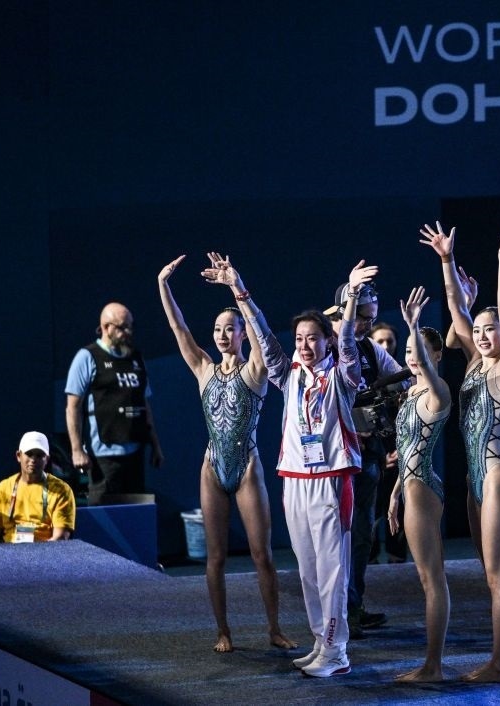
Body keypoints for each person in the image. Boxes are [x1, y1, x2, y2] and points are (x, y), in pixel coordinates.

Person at [202, 256, 376, 678]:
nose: (304, 345)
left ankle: (337, 651)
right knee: (308, 570)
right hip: (295, 480)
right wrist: (238, 289)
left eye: (313, 338)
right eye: (299, 338)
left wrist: (352, 294)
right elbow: (261, 333)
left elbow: (348, 341)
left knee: (333, 570)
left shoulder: (343, 375)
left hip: (331, 480)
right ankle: (320, 642)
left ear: (327, 341)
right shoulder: (288, 373)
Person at [157, 254, 297, 654]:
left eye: (229, 328)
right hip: (212, 469)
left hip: (247, 467)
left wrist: (236, 287)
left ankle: (274, 628)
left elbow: (260, 331)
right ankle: (223, 631)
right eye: (217, 329)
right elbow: (179, 328)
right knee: (215, 557)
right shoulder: (203, 369)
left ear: (240, 334)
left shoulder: (255, 370)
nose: (222, 335)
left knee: (261, 555)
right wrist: (163, 285)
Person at [420, 221, 500, 683]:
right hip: (475, 477)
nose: (482, 336)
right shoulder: (474, 363)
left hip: (499, 475)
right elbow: (454, 305)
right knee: (495, 576)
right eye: (478, 330)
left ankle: (498, 666)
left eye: (490, 330)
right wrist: (446, 260)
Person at [324, 281, 405, 637]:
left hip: (367, 457)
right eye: (363, 318)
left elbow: (403, 378)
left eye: (373, 318)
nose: (369, 325)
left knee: (360, 536)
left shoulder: (371, 349)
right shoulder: (322, 346)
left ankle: (352, 607)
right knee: (333, 537)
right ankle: (334, 613)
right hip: (331, 458)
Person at [386, 287, 452, 682]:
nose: (413, 357)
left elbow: (417, 455)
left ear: (437, 356)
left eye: (421, 351)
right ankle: (432, 663)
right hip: (410, 486)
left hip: (423, 487)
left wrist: (412, 325)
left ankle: (433, 666)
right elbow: (407, 448)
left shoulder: (437, 392)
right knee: (427, 577)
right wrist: (395, 493)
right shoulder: (411, 393)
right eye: (409, 351)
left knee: (432, 578)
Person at [65, 302, 164, 505]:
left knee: (134, 515)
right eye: (122, 327)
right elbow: (73, 407)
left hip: (135, 452)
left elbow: (144, 403)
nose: (128, 332)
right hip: (104, 456)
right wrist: (76, 450)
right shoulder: (87, 357)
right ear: (106, 327)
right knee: (106, 515)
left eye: (130, 326)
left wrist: (155, 445)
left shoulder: (135, 358)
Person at [0, 432, 76, 543]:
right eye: (29, 454)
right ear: (18, 456)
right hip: (9, 551)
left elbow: (60, 538)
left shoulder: (61, 490)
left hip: (45, 551)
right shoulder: (3, 488)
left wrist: (38, 553)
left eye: (39, 455)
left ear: (47, 459)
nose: (33, 459)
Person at [368, 320, 409, 566]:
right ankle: (369, 562)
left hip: (401, 456)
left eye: (389, 341)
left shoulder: (406, 377)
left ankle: (398, 561)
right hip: (371, 456)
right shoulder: (362, 377)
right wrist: (378, 455)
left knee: (400, 512)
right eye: (379, 342)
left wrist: (402, 453)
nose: (385, 346)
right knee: (369, 513)